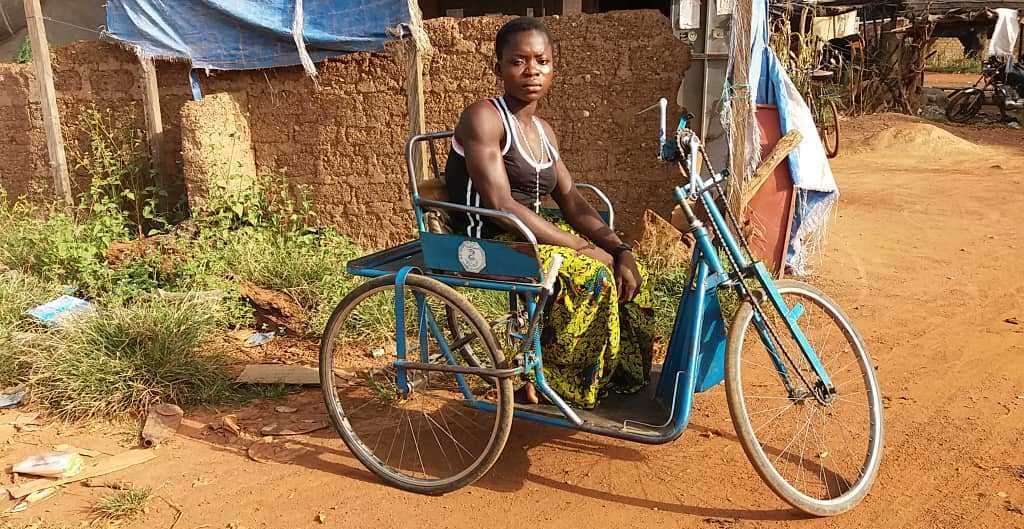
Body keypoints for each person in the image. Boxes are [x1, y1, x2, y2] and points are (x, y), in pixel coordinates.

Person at [444, 16, 655, 409]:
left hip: (527, 234)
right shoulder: (484, 118)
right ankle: (554, 382)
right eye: (518, 61)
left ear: (553, 66)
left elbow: (572, 201)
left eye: (541, 60)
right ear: (498, 69)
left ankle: (609, 375)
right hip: (487, 238)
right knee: (592, 277)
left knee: (626, 273)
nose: (531, 71)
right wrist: (577, 246)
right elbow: (502, 206)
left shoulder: (543, 131)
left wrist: (620, 248)